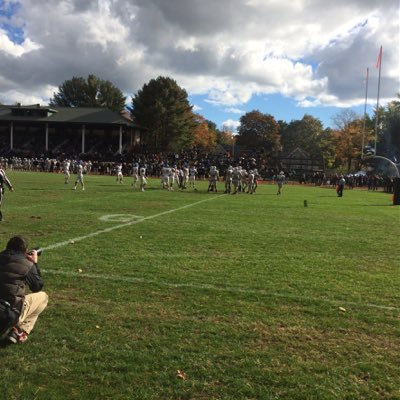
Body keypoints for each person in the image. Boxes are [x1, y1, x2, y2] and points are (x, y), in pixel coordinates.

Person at [0, 235, 48, 343]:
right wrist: (34, 263)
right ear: (25, 250)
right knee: (43, 297)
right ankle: (19, 331)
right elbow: (37, 286)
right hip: (7, 314)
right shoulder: (26, 264)